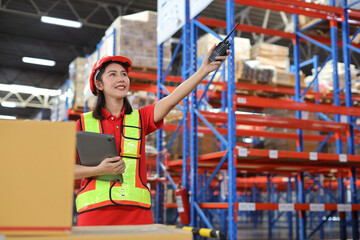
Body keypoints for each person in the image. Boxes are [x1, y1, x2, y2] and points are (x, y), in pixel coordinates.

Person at [74, 44, 229, 226]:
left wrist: (204, 70)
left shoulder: (140, 118)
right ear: (98, 84)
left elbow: (173, 99)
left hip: (136, 215)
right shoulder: (83, 124)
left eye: (124, 74)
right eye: (113, 74)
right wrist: (99, 170)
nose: (121, 78)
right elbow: (65, 169)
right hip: (95, 214)